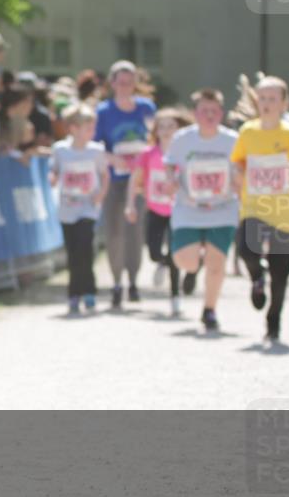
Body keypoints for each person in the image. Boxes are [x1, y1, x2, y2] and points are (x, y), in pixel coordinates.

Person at [229, 76, 289, 342]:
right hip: (254, 205)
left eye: (272, 99)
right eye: (262, 98)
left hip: (282, 207)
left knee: (281, 271)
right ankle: (257, 276)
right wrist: (236, 175)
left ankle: (273, 321)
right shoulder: (248, 131)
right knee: (246, 249)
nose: (266, 104)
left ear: (284, 103)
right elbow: (237, 162)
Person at [165, 89, 240, 332]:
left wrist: (240, 181)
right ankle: (194, 268)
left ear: (222, 113)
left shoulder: (232, 140)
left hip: (223, 207)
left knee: (216, 263)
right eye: (204, 110)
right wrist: (171, 181)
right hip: (189, 208)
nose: (209, 115)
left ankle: (209, 310)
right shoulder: (182, 139)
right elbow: (170, 165)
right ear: (195, 113)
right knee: (185, 261)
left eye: (214, 111)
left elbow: (242, 169)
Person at [94, 60, 156, 309]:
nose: (125, 87)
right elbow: (96, 146)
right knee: (114, 232)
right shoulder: (103, 111)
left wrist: (143, 160)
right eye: (121, 82)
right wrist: (114, 159)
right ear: (112, 84)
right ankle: (117, 282)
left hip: (138, 181)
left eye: (130, 82)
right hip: (113, 179)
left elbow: (154, 140)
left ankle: (134, 281)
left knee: (135, 231)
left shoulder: (146, 108)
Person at [125, 108, 190, 315]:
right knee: (153, 251)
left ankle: (174, 296)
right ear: (155, 130)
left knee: (174, 252)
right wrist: (130, 204)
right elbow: (134, 179)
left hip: (178, 210)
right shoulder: (148, 153)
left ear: (180, 129)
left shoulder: (185, 153)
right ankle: (160, 263)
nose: (166, 131)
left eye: (171, 126)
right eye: (162, 126)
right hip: (154, 208)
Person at [49, 105, 110, 314]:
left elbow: (104, 175)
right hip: (67, 207)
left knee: (85, 247)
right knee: (73, 252)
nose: (92, 131)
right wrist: (53, 178)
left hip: (88, 207)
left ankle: (89, 291)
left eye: (93, 127)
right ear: (73, 128)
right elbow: (54, 171)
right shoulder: (60, 149)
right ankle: (74, 293)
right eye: (87, 127)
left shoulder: (96, 150)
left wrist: (100, 195)